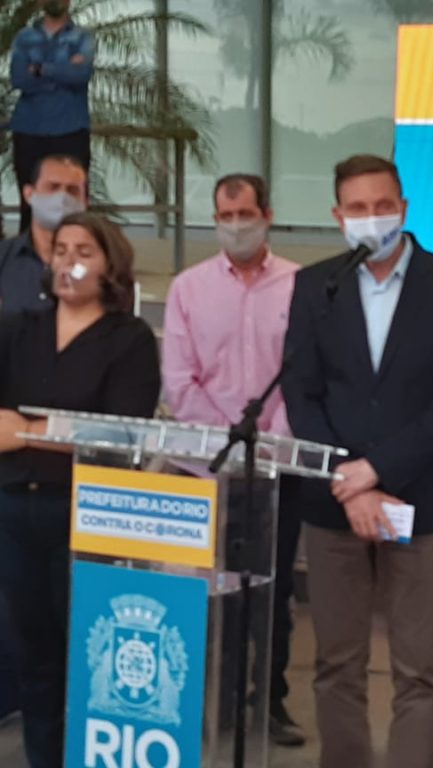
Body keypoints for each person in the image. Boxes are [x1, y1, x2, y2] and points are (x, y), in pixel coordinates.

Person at [281, 154, 433, 768]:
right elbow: (301, 394)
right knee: (336, 663)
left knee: (418, 670)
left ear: (404, 208)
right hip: (334, 503)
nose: (372, 218)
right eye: (358, 208)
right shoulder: (316, 285)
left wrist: (377, 471)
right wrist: (351, 481)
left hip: (422, 502)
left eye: (383, 205)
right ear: (338, 215)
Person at [0, 212, 160, 768]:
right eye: (61, 250)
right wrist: (56, 432)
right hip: (15, 508)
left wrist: (27, 431)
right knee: (33, 654)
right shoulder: (17, 328)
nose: (69, 262)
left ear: (109, 265)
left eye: (84, 252)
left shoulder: (129, 339)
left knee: (88, 653)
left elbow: (121, 432)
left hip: (88, 511)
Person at [160, 173, 306, 746]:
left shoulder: (300, 286)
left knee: (272, 593)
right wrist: (228, 445)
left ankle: (269, 701)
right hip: (206, 469)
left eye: (245, 214)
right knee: (207, 591)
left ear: (267, 214)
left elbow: (304, 376)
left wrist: (269, 446)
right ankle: (209, 701)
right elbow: (180, 382)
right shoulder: (188, 288)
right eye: (226, 216)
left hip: (277, 469)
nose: (236, 226)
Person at [9, 1, 94, 233]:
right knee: (29, 202)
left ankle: (72, 248)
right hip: (29, 129)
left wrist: (40, 69)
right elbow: (19, 79)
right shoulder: (24, 37)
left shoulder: (82, 37)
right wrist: (63, 68)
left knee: (73, 204)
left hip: (70, 129)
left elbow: (81, 75)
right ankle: (28, 254)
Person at [0, 155, 87, 315]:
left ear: (85, 202)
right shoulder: (3, 257)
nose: (62, 197)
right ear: (29, 194)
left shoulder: (101, 263)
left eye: (72, 190)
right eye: (53, 187)